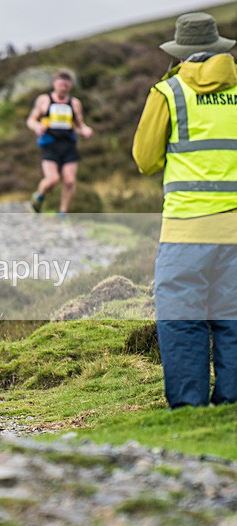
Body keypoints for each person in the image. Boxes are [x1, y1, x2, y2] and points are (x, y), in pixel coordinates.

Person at [133, 12, 237, 408]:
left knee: (183, 321)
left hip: (186, 232)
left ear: (180, 52)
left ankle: (189, 409)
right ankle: (230, 405)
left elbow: (144, 160)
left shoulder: (168, 93)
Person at [26, 70, 94, 216]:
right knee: (53, 179)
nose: (63, 87)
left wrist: (85, 130)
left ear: (70, 85)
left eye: (66, 84)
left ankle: (63, 212)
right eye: (60, 83)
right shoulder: (44, 100)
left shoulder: (75, 103)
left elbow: (79, 125)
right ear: (54, 84)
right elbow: (31, 120)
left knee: (69, 181)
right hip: (50, 144)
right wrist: (37, 126)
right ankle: (39, 196)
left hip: (68, 145)